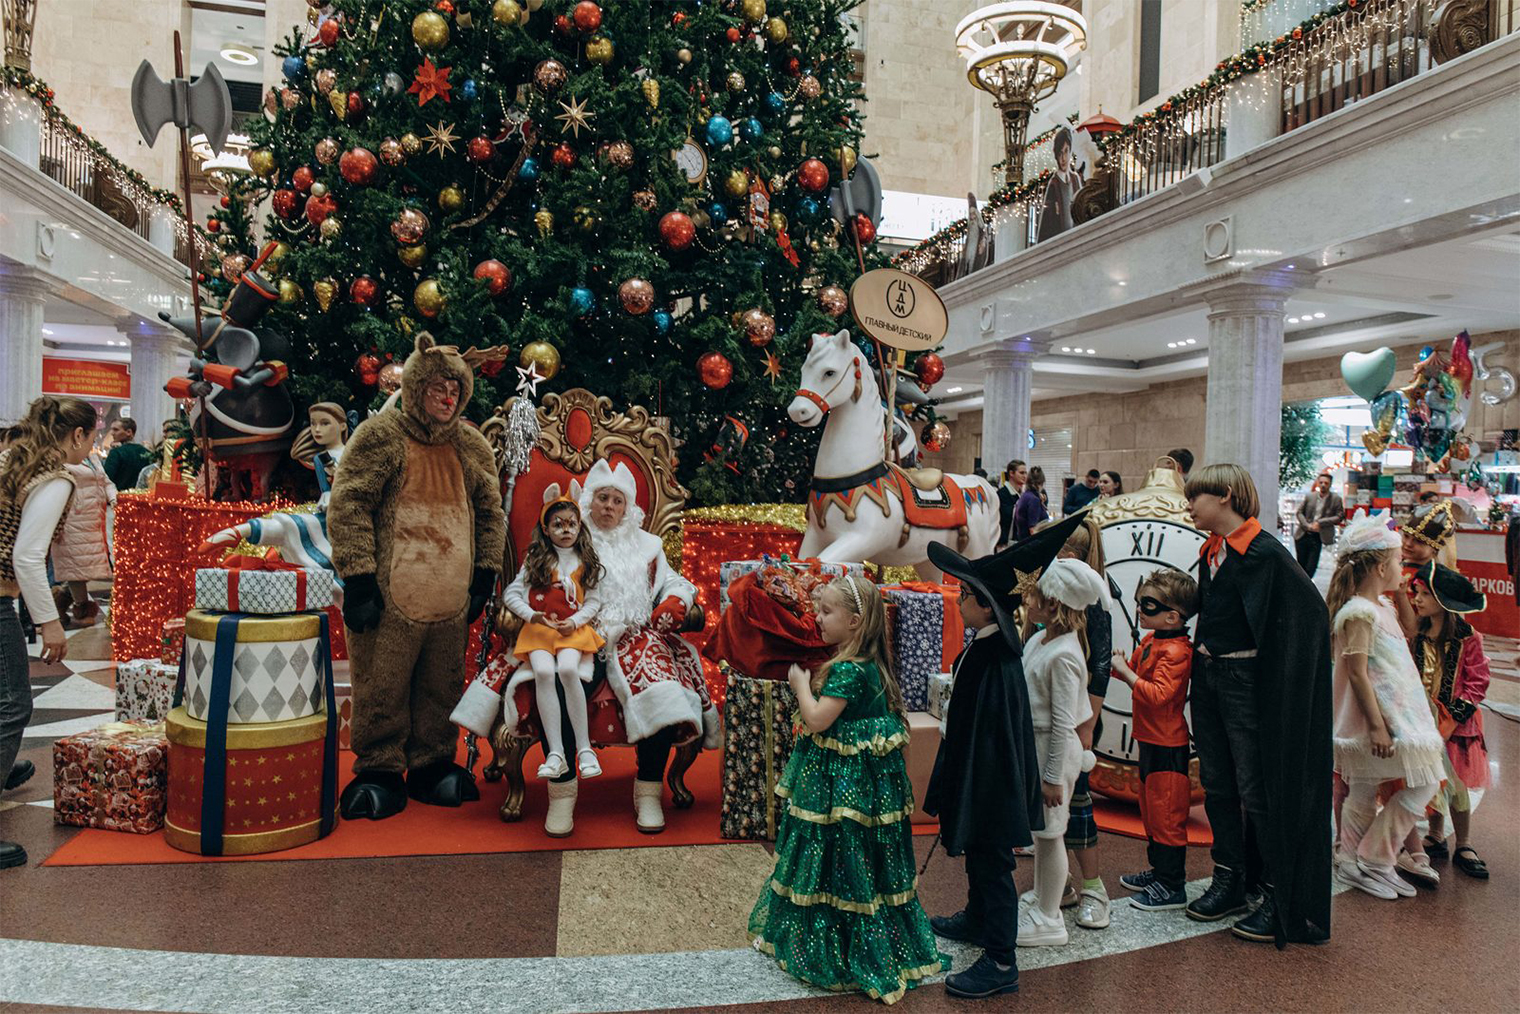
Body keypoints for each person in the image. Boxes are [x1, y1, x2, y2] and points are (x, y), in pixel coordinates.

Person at [328, 332, 506, 820]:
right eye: (437, 389)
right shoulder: (380, 436)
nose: (448, 399)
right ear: (415, 389)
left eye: (456, 391)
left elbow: (491, 513)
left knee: (441, 686)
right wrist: (359, 578)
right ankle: (379, 769)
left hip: (448, 600)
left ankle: (432, 763)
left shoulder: (471, 445)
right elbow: (350, 504)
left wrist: (484, 575)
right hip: (389, 597)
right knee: (381, 685)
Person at [749, 576, 948, 1004]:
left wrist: (801, 685)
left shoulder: (845, 670)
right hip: (864, 794)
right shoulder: (874, 667)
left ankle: (836, 946)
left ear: (855, 621)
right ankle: (870, 935)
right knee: (861, 859)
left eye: (826, 612)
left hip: (841, 791)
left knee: (837, 857)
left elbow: (819, 719)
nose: (816, 618)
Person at [923, 512, 1083, 999]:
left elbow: (995, 737)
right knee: (978, 858)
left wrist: (974, 790)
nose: (958, 598)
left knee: (992, 865)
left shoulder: (998, 661)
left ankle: (1000, 961)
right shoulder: (985, 647)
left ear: (990, 608)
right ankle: (976, 920)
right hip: (979, 778)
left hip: (991, 784)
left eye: (966, 594)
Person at [1183, 463, 1332, 945]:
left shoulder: (1264, 552)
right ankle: (1230, 878)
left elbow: (1310, 611)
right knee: (1218, 783)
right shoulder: (1212, 550)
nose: (1189, 506)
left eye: (1196, 498)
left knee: (1256, 789)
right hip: (1208, 678)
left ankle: (1274, 891)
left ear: (1225, 496)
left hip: (1244, 684)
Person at [533, 459, 720, 837]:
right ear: (589, 502)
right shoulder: (569, 537)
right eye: (601, 498)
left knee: (663, 687)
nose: (608, 507)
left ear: (628, 508)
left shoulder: (647, 546)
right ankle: (563, 794)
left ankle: (649, 791)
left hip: (636, 634)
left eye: (616, 501)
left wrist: (675, 602)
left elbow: (675, 583)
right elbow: (536, 575)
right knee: (555, 683)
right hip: (579, 632)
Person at [1, 396, 98, 871]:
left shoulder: (14, 451)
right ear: (76, 435)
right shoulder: (56, 476)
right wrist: (50, 622)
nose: (92, 446)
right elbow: (26, 555)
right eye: (92, 437)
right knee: (13, 702)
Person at [1327, 513, 1445, 900]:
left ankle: (1351, 857)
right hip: (1384, 720)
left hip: (1395, 716)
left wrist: (1393, 593)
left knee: (1365, 787)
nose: (1402, 567)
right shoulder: (1358, 612)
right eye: (1396, 561)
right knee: (1424, 781)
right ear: (1380, 566)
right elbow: (1358, 673)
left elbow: (1408, 632)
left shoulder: (1378, 605)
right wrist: (1378, 726)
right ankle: (1375, 857)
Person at [1027, 515, 1113, 929]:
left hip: (1060, 746)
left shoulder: (1065, 649)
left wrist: (1086, 730)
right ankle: (1050, 895)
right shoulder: (1044, 639)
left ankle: (1088, 889)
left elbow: (1070, 707)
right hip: (1047, 743)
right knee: (1047, 834)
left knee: (1065, 822)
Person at [501, 486, 605, 781]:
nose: (565, 530)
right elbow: (512, 594)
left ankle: (585, 750)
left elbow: (594, 600)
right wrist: (532, 616)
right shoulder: (536, 559)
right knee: (545, 673)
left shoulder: (585, 559)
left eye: (571, 524)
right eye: (558, 524)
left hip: (571, 630)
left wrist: (576, 621)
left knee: (569, 670)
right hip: (540, 631)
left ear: (579, 526)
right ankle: (556, 753)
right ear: (546, 529)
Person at [1112, 569, 1199, 911]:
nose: (1139, 611)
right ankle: (1159, 872)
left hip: (1167, 745)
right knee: (1151, 812)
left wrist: (1126, 671)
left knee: (1167, 815)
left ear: (1173, 616)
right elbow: (1131, 674)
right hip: (1150, 740)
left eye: (1147, 606)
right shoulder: (1154, 642)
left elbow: (1158, 694)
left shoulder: (1177, 651)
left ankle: (1172, 884)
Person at [1408, 562, 1492, 881]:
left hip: (1456, 727)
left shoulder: (1468, 637)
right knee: (1432, 782)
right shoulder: (1416, 634)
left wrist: (1453, 715)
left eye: (1424, 594)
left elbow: (1478, 681)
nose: (1416, 599)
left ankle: (1465, 843)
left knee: (1456, 787)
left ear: (1442, 601)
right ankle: (1435, 835)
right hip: (1421, 722)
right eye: (1417, 592)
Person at [49, 453, 115, 628]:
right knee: (76, 565)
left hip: (94, 517)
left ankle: (63, 599)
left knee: (87, 565)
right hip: (72, 518)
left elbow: (105, 480)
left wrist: (115, 498)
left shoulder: (91, 458)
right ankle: (78, 604)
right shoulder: (58, 456)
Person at [1393, 500, 1458, 637]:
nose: (1408, 544)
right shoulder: (1397, 566)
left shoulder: (1435, 578)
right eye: (1406, 536)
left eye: (1419, 541)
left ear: (1434, 548)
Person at [1293, 474, 1344, 578]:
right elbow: (1299, 512)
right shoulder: (1310, 496)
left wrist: (1321, 522)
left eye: (1326, 483)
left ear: (1330, 485)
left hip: (1318, 537)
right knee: (1300, 566)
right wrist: (1307, 525)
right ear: (1317, 483)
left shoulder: (1335, 499)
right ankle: (1300, 589)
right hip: (1303, 534)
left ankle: (1305, 588)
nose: (1323, 485)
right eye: (1321, 482)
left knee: (1311, 567)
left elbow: (1339, 516)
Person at [1036, 127, 1082, 242]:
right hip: (1060, 241)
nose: (1063, 158)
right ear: (1056, 155)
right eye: (1060, 153)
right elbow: (1046, 224)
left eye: (1066, 151)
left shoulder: (1075, 179)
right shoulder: (1053, 184)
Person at [101, 417, 153, 492]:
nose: (112, 433)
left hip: (118, 497)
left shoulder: (116, 453)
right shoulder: (147, 452)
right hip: (141, 497)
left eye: (116, 430)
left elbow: (106, 479)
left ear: (128, 432)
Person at [1013, 466, 1050, 543]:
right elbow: (1033, 530)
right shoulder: (1034, 500)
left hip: (1022, 541)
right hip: (1031, 544)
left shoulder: (1025, 496)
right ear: (1041, 483)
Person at [996, 459, 1027, 549]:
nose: (1025, 476)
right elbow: (1006, 516)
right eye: (1021, 473)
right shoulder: (1002, 494)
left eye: (1025, 473)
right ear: (1011, 473)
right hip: (1003, 544)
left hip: (1018, 543)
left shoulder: (1023, 495)